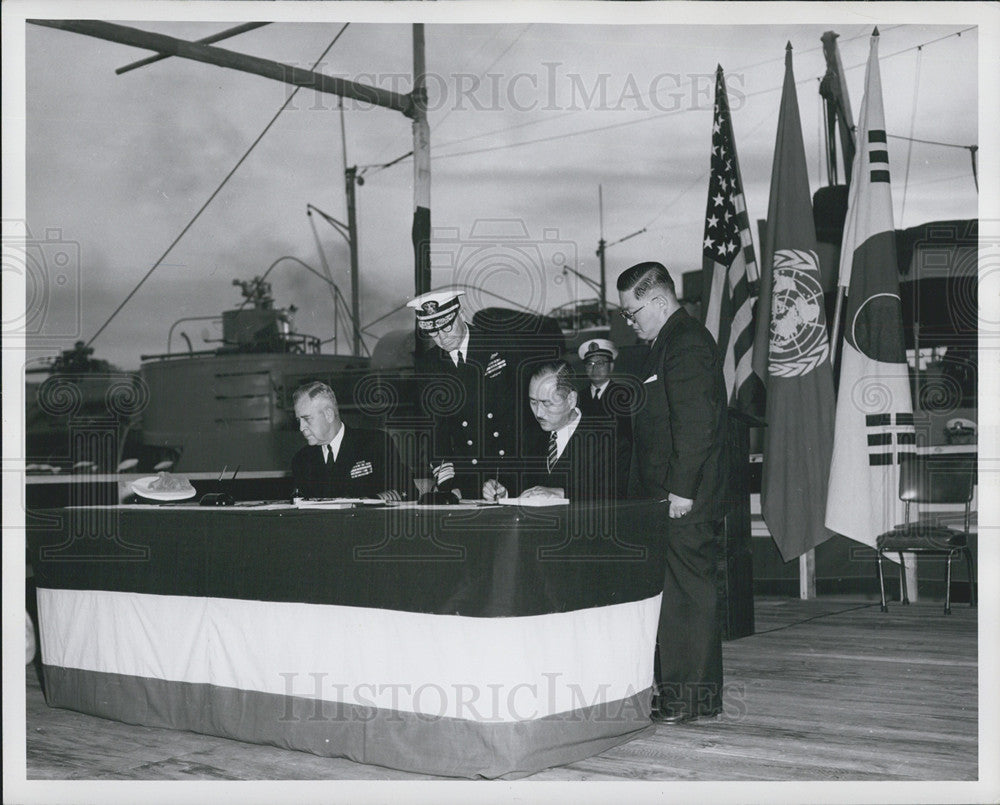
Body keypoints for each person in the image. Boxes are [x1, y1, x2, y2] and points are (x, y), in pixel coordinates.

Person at [617, 261, 728, 725]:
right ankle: (685, 695)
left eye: (632, 312)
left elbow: (696, 424)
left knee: (687, 596)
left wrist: (681, 490)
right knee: (677, 595)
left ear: (660, 301)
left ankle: (690, 700)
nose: (630, 321)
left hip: (684, 499)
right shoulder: (669, 342)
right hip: (670, 494)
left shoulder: (684, 344)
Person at [407, 290, 523, 499]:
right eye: (433, 333)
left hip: (505, 470)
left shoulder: (500, 346)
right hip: (463, 476)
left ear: (461, 314)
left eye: (446, 328)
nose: (441, 338)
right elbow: (434, 427)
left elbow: (521, 418)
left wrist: (505, 481)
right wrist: (448, 480)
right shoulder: (428, 365)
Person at [482, 361, 621, 503]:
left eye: (547, 403)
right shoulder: (528, 437)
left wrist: (563, 493)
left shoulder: (608, 440)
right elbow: (520, 488)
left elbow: (618, 495)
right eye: (533, 402)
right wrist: (503, 493)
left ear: (571, 399)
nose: (539, 413)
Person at [291, 381, 416, 501]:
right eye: (299, 420)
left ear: (328, 414)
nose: (301, 427)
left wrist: (374, 500)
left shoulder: (375, 443)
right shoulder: (302, 460)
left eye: (307, 419)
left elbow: (408, 491)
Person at [576, 338, 633, 498]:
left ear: (611, 365)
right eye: (590, 364)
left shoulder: (624, 395)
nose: (595, 369)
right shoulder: (578, 398)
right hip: (584, 477)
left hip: (615, 476)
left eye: (600, 363)